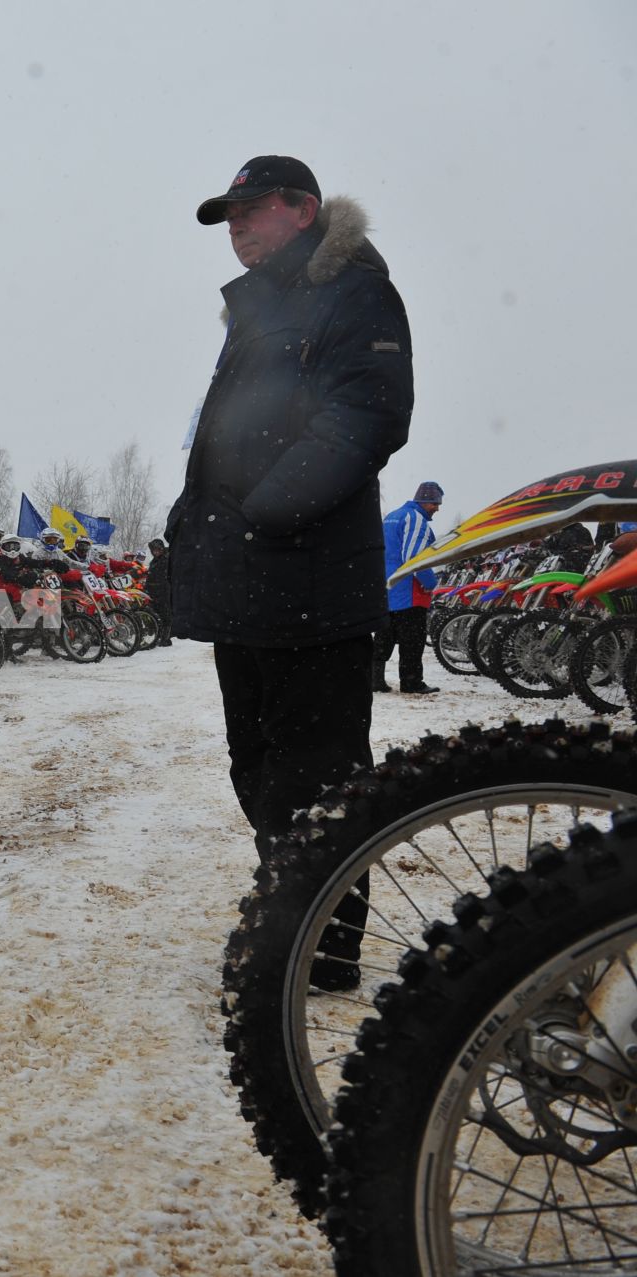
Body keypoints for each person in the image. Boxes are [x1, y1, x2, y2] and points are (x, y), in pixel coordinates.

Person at [166, 155, 413, 991]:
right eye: (227, 215)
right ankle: (297, 912)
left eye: (249, 209)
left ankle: (320, 943)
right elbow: (227, 438)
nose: (235, 226)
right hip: (251, 588)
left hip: (311, 585)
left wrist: (266, 511)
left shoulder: (352, 290)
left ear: (302, 209)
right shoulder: (259, 311)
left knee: (317, 772)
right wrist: (188, 535)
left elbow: (368, 412)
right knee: (260, 767)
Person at [377, 481, 442, 694]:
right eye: (435, 503)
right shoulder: (415, 519)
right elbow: (413, 558)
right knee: (412, 640)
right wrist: (430, 583)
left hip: (388, 588)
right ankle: (411, 682)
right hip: (408, 592)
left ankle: (374, 679)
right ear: (425, 500)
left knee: (384, 637)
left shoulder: (391, 516)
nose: (437, 508)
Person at [146, 538, 173, 645]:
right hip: (153, 592)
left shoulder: (166, 559)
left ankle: (166, 638)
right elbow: (150, 576)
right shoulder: (154, 561)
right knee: (156, 614)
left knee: (165, 614)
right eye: (154, 550)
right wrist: (147, 588)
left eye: (157, 550)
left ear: (161, 549)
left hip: (164, 591)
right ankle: (159, 636)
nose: (155, 552)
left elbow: (166, 576)